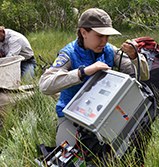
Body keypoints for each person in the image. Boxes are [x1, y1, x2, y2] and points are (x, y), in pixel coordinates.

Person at [39, 8, 150, 146]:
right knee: (68, 152)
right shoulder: (69, 54)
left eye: (107, 36)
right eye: (99, 35)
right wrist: (83, 72)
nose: (104, 41)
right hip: (71, 116)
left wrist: (135, 56)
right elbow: (44, 85)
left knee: (123, 146)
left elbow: (143, 76)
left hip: (105, 112)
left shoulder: (109, 50)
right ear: (84, 32)